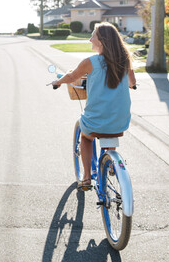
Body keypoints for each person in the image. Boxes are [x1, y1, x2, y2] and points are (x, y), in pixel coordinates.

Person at [52, 22, 136, 190]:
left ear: (101, 41)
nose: (90, 39)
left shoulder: (91, 62)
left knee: (86, 136)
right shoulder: (124, 61)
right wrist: (132, 86)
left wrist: (58, 81)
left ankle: (87, 177)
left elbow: (72, 76)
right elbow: (132, 82)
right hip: (121, 120)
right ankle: (111, 164)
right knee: (109, 130)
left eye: (93, 35)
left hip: (96, 120)